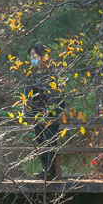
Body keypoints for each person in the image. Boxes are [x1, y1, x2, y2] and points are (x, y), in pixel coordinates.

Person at [25, 44, 64, 180]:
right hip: (37, 114)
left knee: (49, 140)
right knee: (40, 140)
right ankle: (46, 170)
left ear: (42, 56)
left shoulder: (51, 72)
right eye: (30, 55)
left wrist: (50, 111)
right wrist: (27, 112)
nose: (32, 58)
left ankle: (50, 172)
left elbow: (56, 94)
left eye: (34, 55)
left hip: (51, 113)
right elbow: (27, 94)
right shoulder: (31, 74)